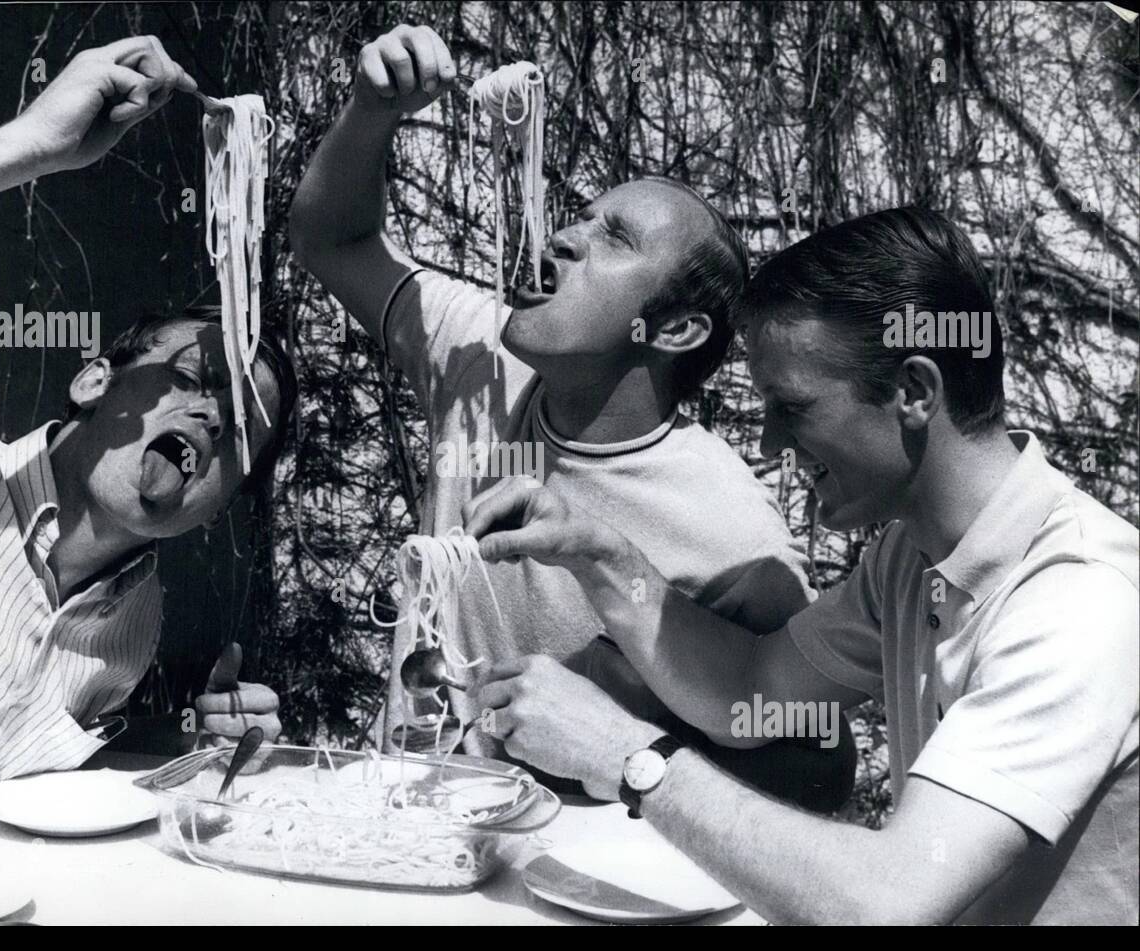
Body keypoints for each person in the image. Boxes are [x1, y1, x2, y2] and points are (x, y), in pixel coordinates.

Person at [463, 207, 1139, 924]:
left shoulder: (1080, 604)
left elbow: (884, 906)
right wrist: (600, 555)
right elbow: (749, 691)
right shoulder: (911, 557)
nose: (770, 441)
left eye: (793, 408)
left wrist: (627, 757)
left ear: (915, 392)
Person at [289, 23, 854, 808]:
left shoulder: (736, 538)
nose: (562, 236)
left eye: (612, 239)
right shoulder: (479, 355)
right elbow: (329, 238)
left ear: (673, 329)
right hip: (413, 827)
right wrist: (371, 111)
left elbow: (816, 763)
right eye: (582, 217)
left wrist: (627, 739)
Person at [0, 37, 290, 857]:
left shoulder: (132, 633)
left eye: (245, 431)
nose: (218, 417)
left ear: (220, 503)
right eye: (195, 375)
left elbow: (12, 783)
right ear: (92, 384)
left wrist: (185, 756)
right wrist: (30, 147)